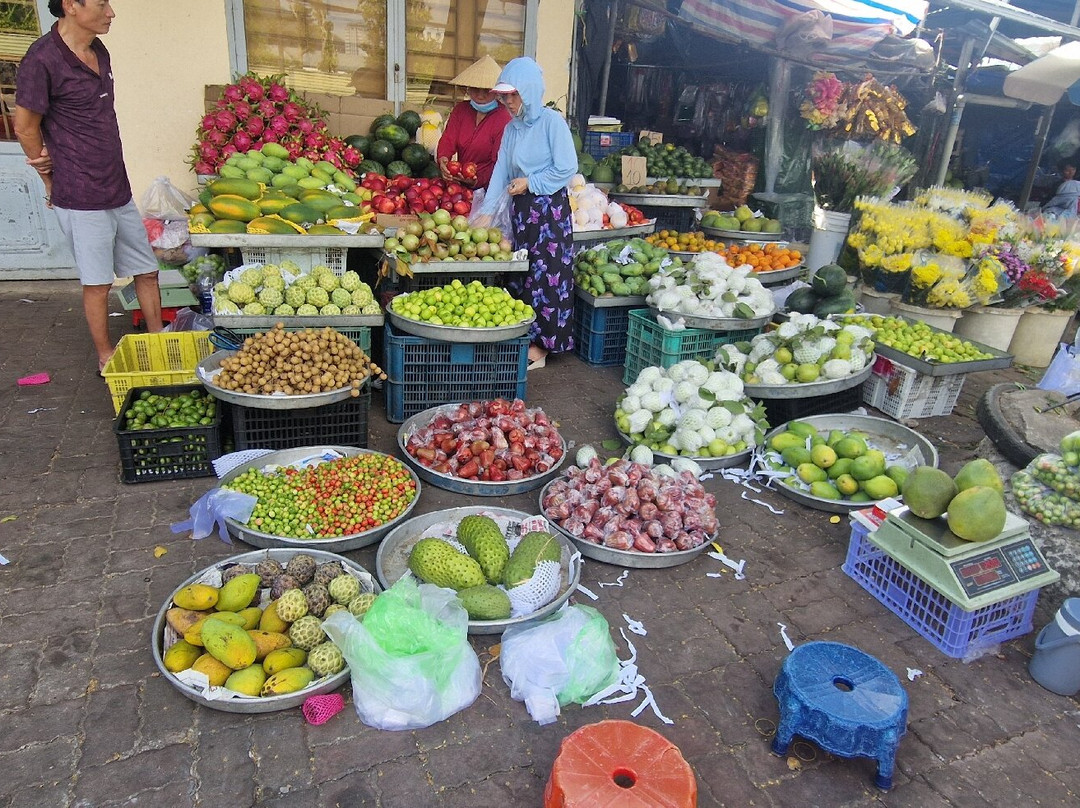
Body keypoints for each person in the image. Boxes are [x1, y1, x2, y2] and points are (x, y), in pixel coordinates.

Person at [14, 0, 162, 372]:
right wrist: (48, 176)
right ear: (71, 6)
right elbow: (25, 127)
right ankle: (105, 357)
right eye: (101, 4)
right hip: (81, 194)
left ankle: (160, 340)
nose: (110, 12)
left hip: (117, 185)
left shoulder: (98, 49)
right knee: (98, 283)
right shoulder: (41, 60)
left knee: (147, 270)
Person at [473, 57, 578, 370]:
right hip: (521, 212)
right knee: (522, 274)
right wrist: (486, 213)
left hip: (549, 213)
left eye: (513, 95)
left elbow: (566, 167)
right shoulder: (512, 129)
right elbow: (501, 171)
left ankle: (542, 347)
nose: (508, 102)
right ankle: (523, 336)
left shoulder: (552, 123)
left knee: (547, 277)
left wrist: (531, 182)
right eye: (504, 96)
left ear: (529, 92)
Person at [436, 55, 512, 190]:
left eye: (487, 90)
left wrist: (476, 180)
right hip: (459, 181)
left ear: (496, 92)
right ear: (468, 88)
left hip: (489, 187)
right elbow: (448, 139)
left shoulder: (504, 118)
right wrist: (443, 159)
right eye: (476, 89)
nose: (480, 95)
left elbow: (499, 163)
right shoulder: (461, 110)